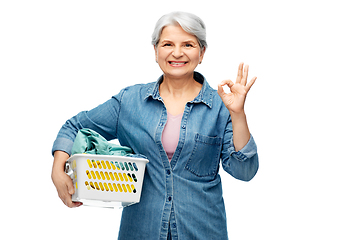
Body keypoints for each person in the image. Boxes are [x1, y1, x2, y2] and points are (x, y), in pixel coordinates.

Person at [51, 11, 259, 240]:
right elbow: (74, 127)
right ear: (156, 51)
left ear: (202, 53)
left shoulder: (221, 107)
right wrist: (57, 169)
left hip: (203, 231)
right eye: (167, 44)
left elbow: (245, 171)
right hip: (140, 231)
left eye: (188, 44)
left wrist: (238, 114)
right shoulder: (129, 102)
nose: (177, 53)